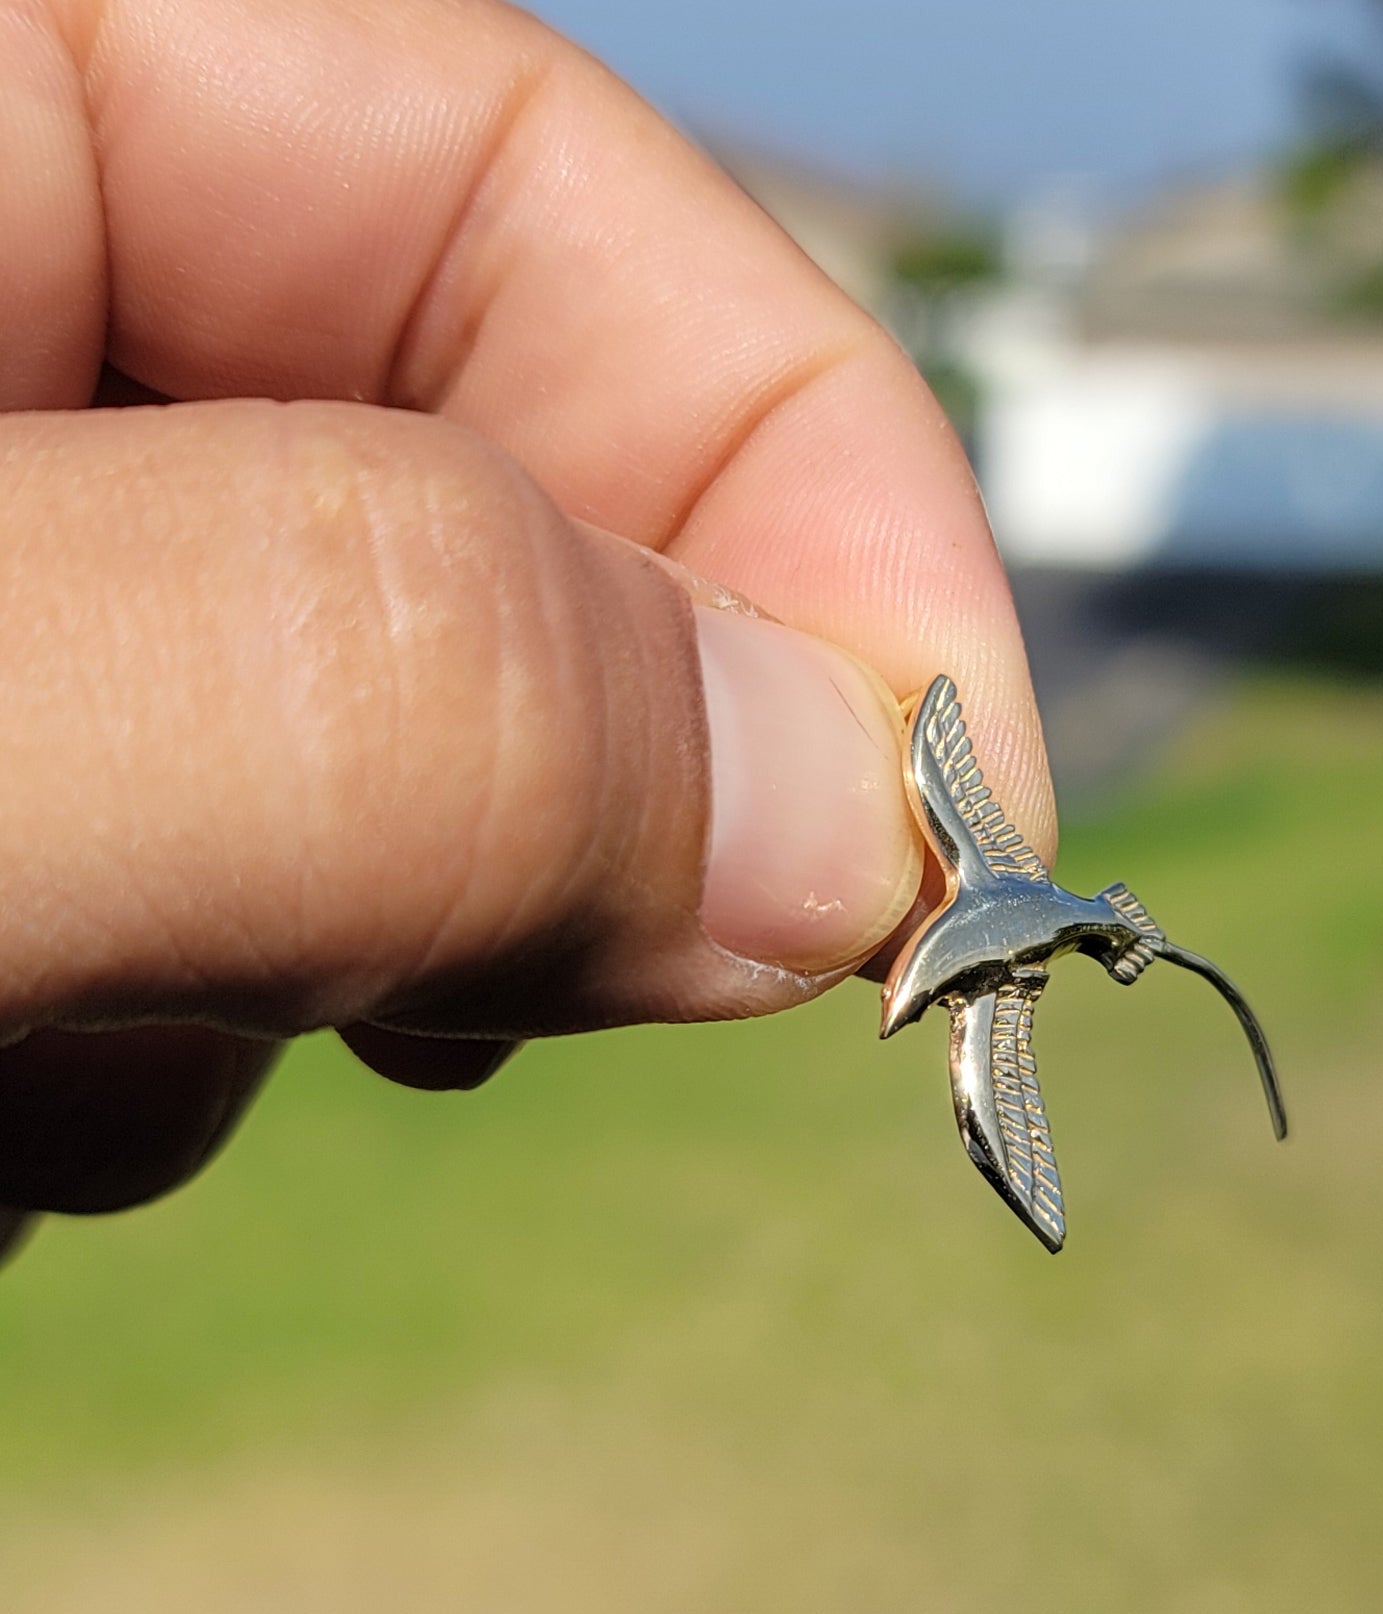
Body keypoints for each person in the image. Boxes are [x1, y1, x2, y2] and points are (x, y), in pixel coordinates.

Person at [0, 0, 1053, 1235]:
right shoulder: (976, 887)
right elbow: (934, 721)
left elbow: (935, 726)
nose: (906, 1000)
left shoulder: (988, 939)